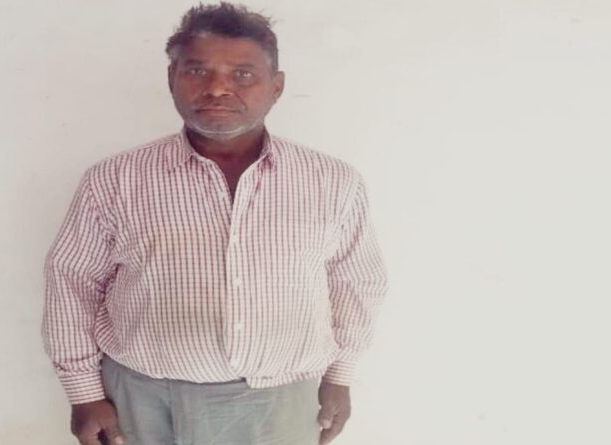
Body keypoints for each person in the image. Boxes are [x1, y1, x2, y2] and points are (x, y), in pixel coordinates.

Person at [42, 3, 388, 444]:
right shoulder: (113, 180)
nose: (218, 88)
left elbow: (357, 282)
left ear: (277, 87)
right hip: (143, 401)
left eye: (243, 74)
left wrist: (341, 375)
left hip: (279, 405)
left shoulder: (333, 181)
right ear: (172, 78)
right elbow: (72, 281)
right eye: (197, 71)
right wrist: (84, 393)